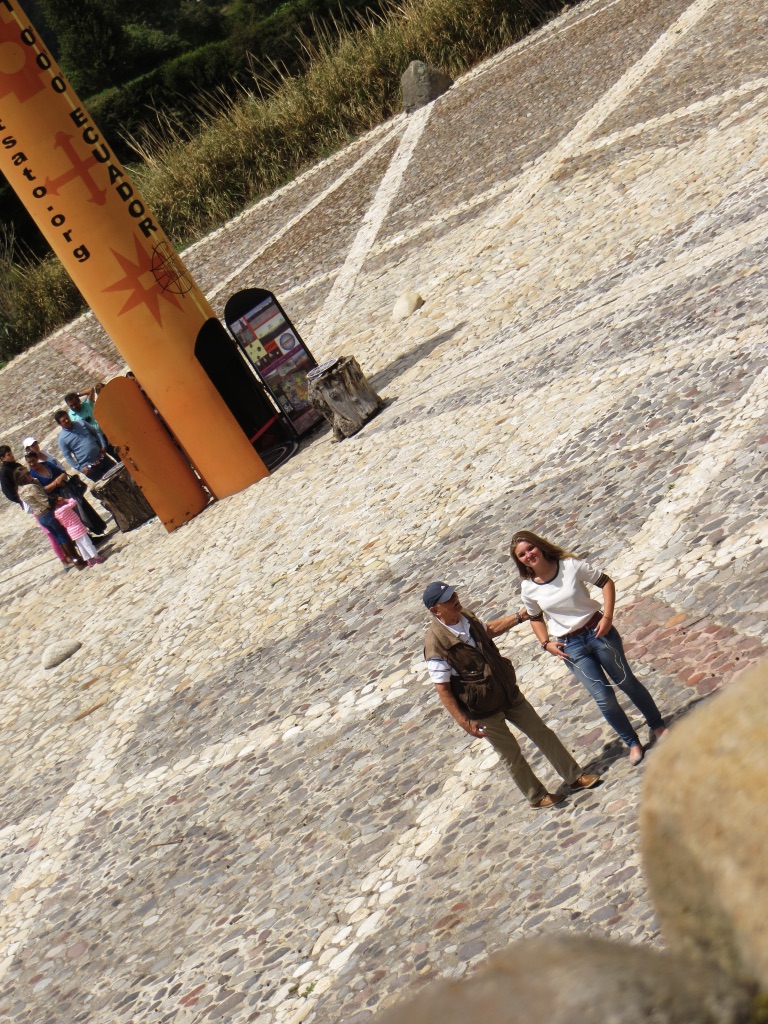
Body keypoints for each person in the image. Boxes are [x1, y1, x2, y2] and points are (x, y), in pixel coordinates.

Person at [423, 581, 600, 808]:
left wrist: (520, 616)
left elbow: (487, 631)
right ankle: (536, 796)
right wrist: (464, 721)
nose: (455, 598)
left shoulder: (465, 616)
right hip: (483, 708)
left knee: (541, 732)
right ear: (435, 610)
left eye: (453, 593)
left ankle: (574, 776)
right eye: (447, 599)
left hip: (506, 690)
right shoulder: (436, 644)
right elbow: (443, 689)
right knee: (511, 754)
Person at [511, 530, 668, 766]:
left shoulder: (569, 565)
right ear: (519, 561)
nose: (528, 555)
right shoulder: (528, 588)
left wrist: (607, 617)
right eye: (522, 555)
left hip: (598, 632)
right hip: (570, 646)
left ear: (539, 546)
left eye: (530, 549)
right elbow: (535, 617)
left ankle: (657, 725)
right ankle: (632, 742)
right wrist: (546, 643)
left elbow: (605, 582)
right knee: (603, 698)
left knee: (626, 681)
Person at [1, 445, 70, 566]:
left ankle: (69, 553)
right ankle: (65, 558)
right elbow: (9, 493)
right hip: (34, 504)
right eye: (8, 454)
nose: (11, 455)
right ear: (2, 458)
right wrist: (25, 498)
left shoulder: (16, 466)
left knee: (58, 526)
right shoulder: (5, 472)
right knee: (51, 532)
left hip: (40, 497)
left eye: (10, 452)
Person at [26, 448, 107, 536]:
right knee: (74, 516)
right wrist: (55, 484)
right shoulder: (32, 475)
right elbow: (42, 490)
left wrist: (60, 478)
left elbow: (63, 473)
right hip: (58, 499)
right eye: (29, 462)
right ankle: (86, 536)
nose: (32, 464)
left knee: (84, 508)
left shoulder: (47, 464)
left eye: (33, 461)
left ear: (37, 459)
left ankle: (99, 529)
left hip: (68, 490)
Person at [14, 466, 85, 567]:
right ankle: (77, 560)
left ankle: (71, 558)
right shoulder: (31, 488)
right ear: (23, 478)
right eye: (27, 474)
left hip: (41, 517)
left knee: (57, 537)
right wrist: (57, 499)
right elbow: (45, 501)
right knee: (62, 535)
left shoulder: (20, 490)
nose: (30, 475)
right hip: (48, 513)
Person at [55, 410, 117, 481]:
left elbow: (96, 432)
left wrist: (103, 446)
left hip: (102, 457)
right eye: (63, 420)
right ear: (60, 424)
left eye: (67, 418)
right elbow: (68, 457)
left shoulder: (81, 423)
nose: (67, 420)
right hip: (90, 467)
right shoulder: (62, 439)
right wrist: (81, 469)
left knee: (118, 475)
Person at [53, 497, 105, 567]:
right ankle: (96, 557)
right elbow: (74, 502)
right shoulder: (64, 508)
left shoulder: (56, 513)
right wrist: (65, 500)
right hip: (78, 528)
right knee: (87, 543)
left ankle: (88, 560)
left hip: (71, 531)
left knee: (80, 546)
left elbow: (62, 523)